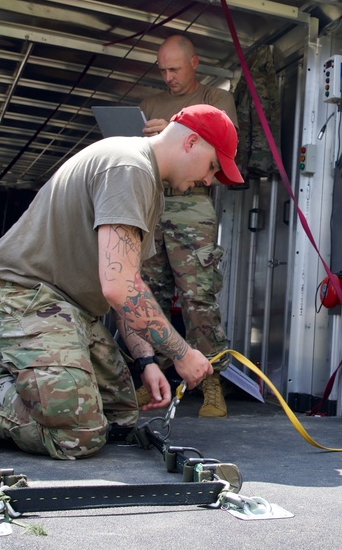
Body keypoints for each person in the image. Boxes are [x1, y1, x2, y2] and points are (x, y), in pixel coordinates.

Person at [0, 105, 244, 460]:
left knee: (119, 416)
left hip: (68, 311)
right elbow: (120, 287)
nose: (209, 180)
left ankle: (34, 389)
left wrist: (147, 362)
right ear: (192, 142)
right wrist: (181, 353)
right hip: (23, 298)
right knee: (78, 434)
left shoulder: (148, 185)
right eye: (213, 167)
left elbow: (127, 294)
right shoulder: (128, 168)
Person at [138, 34, 239, 418]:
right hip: (153, 201)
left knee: (198, 297)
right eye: (162, 70)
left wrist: (174, 132)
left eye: (175, 69)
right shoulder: (149, 103)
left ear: (195, 63)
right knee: (149, 293)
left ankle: (213, 384)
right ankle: (152, 376)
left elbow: (226, 151)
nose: (168, 78)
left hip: (192, 206)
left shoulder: (216, 100)